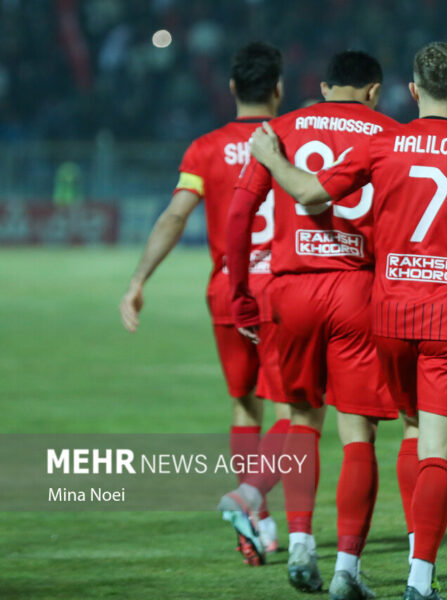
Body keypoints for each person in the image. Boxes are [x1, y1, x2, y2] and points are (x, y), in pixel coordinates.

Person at [248, 41, 447, 600]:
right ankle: (419, 580)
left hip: (388, 317)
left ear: (411, 91)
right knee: (432, 449)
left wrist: (271, 157)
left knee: (393, 426)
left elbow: (309, 191)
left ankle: (345, 564)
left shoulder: (384, 144)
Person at [219, 50, 399, 598]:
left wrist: (240, 294)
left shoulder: (281, 129)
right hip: (357, 289)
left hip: (291, 290)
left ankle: (299, 543)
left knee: (301, 420)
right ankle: (346, 569)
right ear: (374, 90)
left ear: (323, 87)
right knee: (358, 432)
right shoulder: (391, 134)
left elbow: (238, 215)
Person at [118, 42, 290, 561]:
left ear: (233, 88)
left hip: (228, 292)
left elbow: (176, 215)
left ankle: (257, 518)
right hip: (283, 289)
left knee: (244, 403)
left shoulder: (205, 148)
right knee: (296, 409)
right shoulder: (291, 140)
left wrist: (138, 280)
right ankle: (251, 496)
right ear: (278, 89)